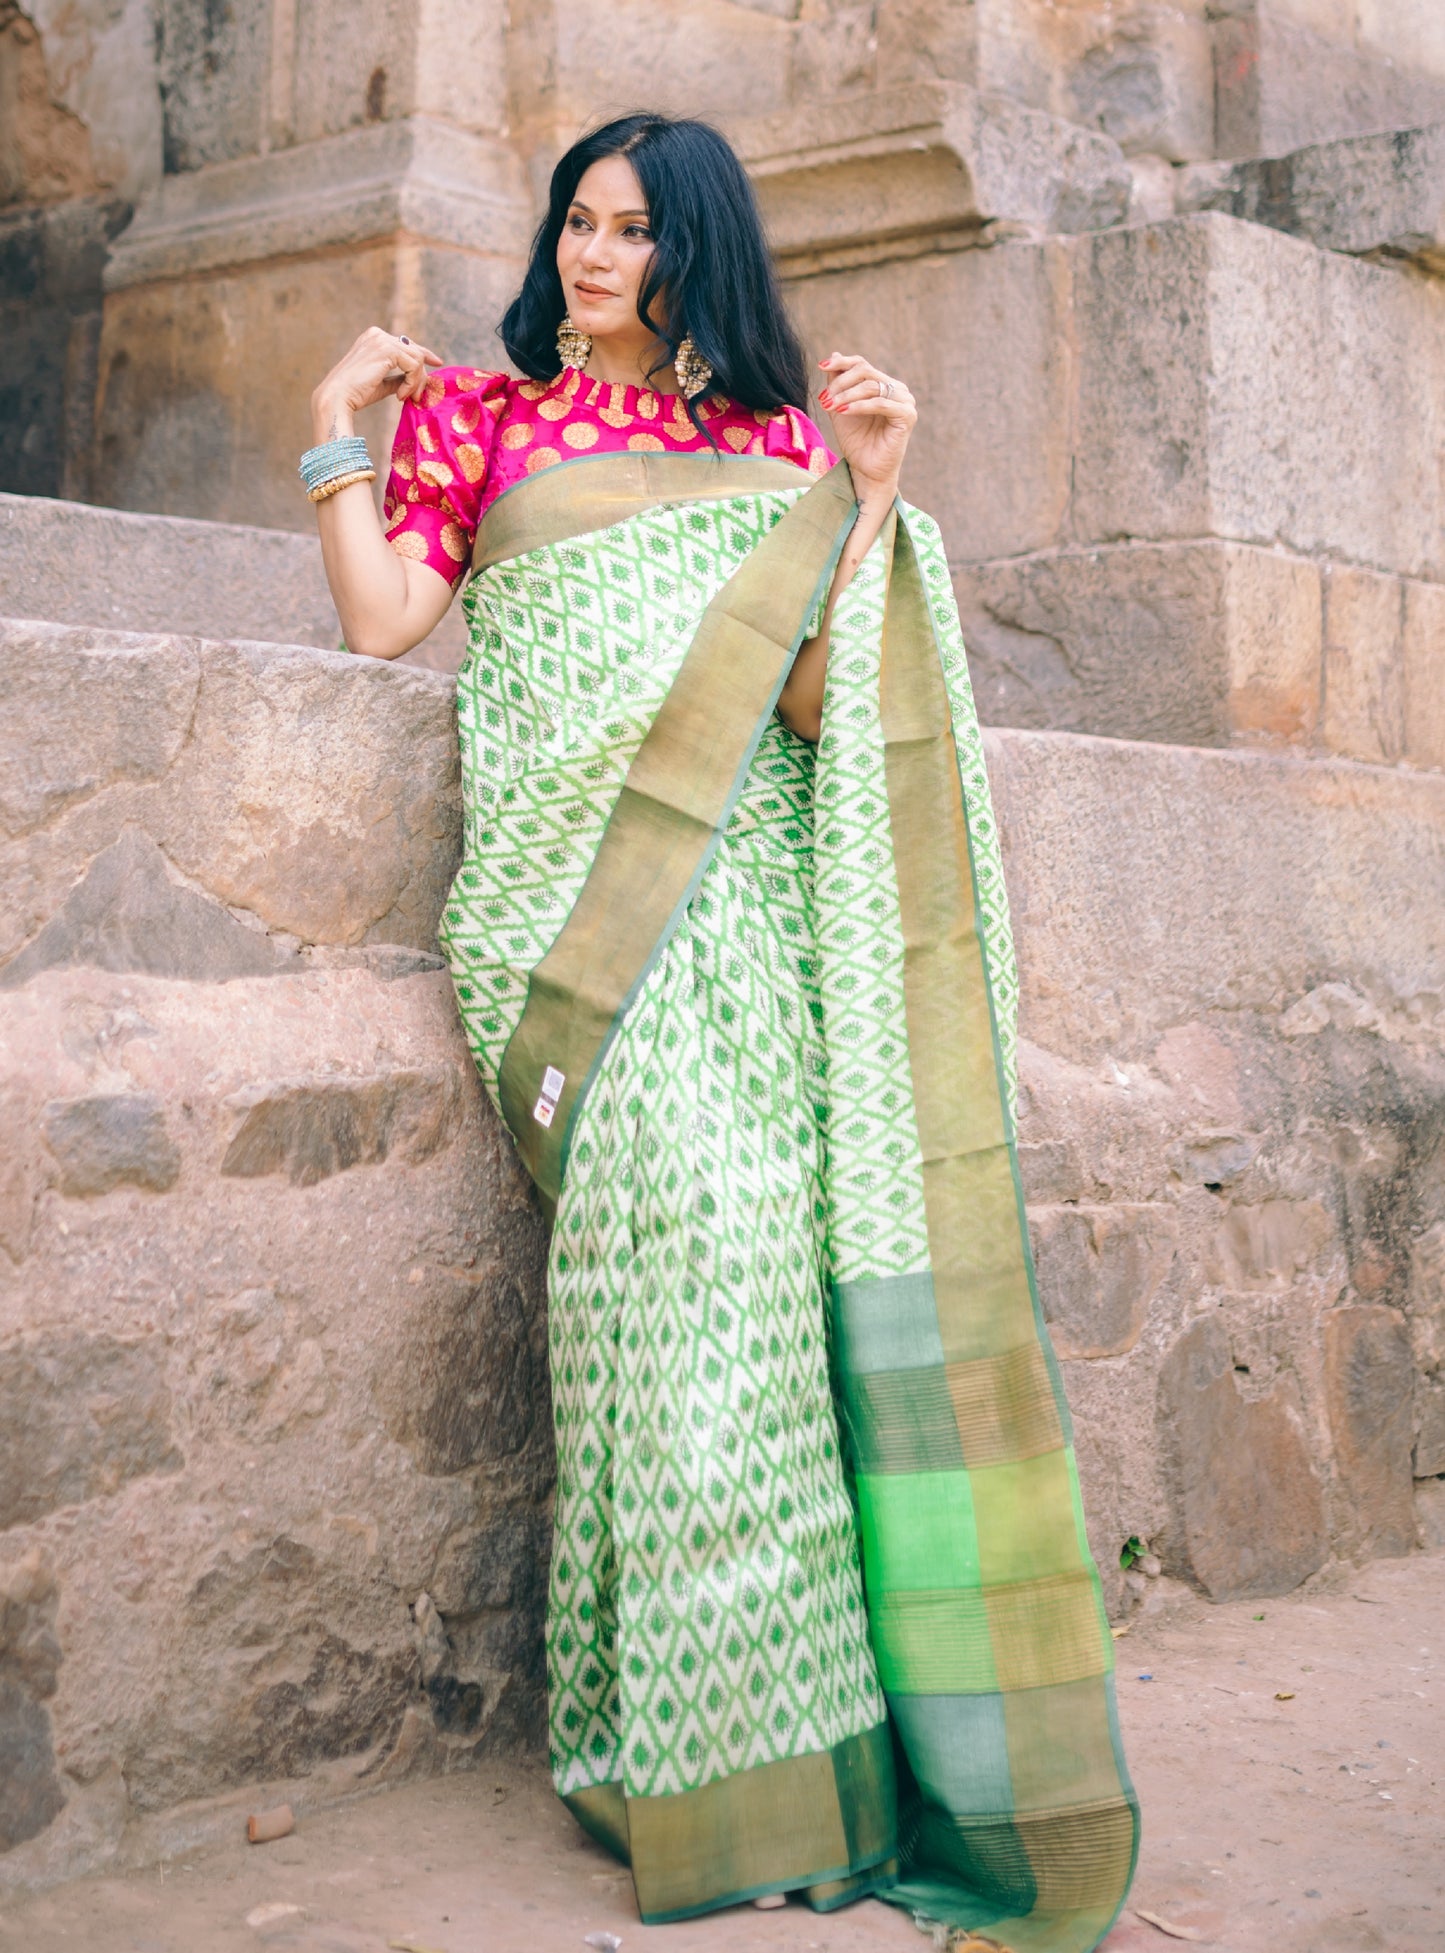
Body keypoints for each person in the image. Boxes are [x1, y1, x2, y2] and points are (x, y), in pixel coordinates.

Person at [304, 111, 1137, 1948]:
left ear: (697, 255)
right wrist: (333, 432)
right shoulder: (481, 415)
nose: (593, 259)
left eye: (632, 233)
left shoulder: (773, 445)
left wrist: (877, 492)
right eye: (575, 226)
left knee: (751, 1288)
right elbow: (385, 627)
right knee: (664, 1265)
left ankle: (773, 1760)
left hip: (747, 915)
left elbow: (832, 711)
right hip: (569, 916)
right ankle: (676, 1750)